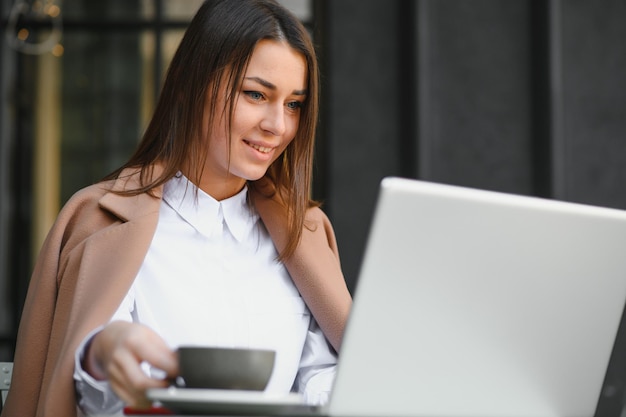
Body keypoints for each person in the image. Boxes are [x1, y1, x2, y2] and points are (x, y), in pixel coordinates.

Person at [1, 0, 352, 416]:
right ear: (191, 84)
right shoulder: (103, 220)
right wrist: (101, 351)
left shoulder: (306, 231)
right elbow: (87, 395)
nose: (277, 125)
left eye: (294, 104)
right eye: (256, 94)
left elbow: (322, 373)